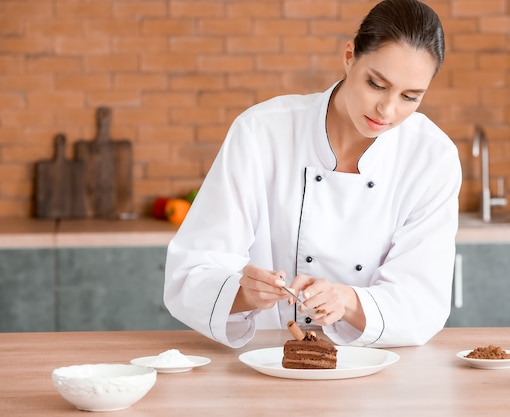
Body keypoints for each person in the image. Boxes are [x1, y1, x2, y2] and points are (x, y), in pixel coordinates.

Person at [164, 0, 461, 348]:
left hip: (373, 369)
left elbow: (422, 303)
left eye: (411, 97)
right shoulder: (261, 132)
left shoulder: (432, 157)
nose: (388, 109)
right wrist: (244, 294)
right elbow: (190, 274)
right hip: (263, 361)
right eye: (376, 84)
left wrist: (347, 301)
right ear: (349, 57)